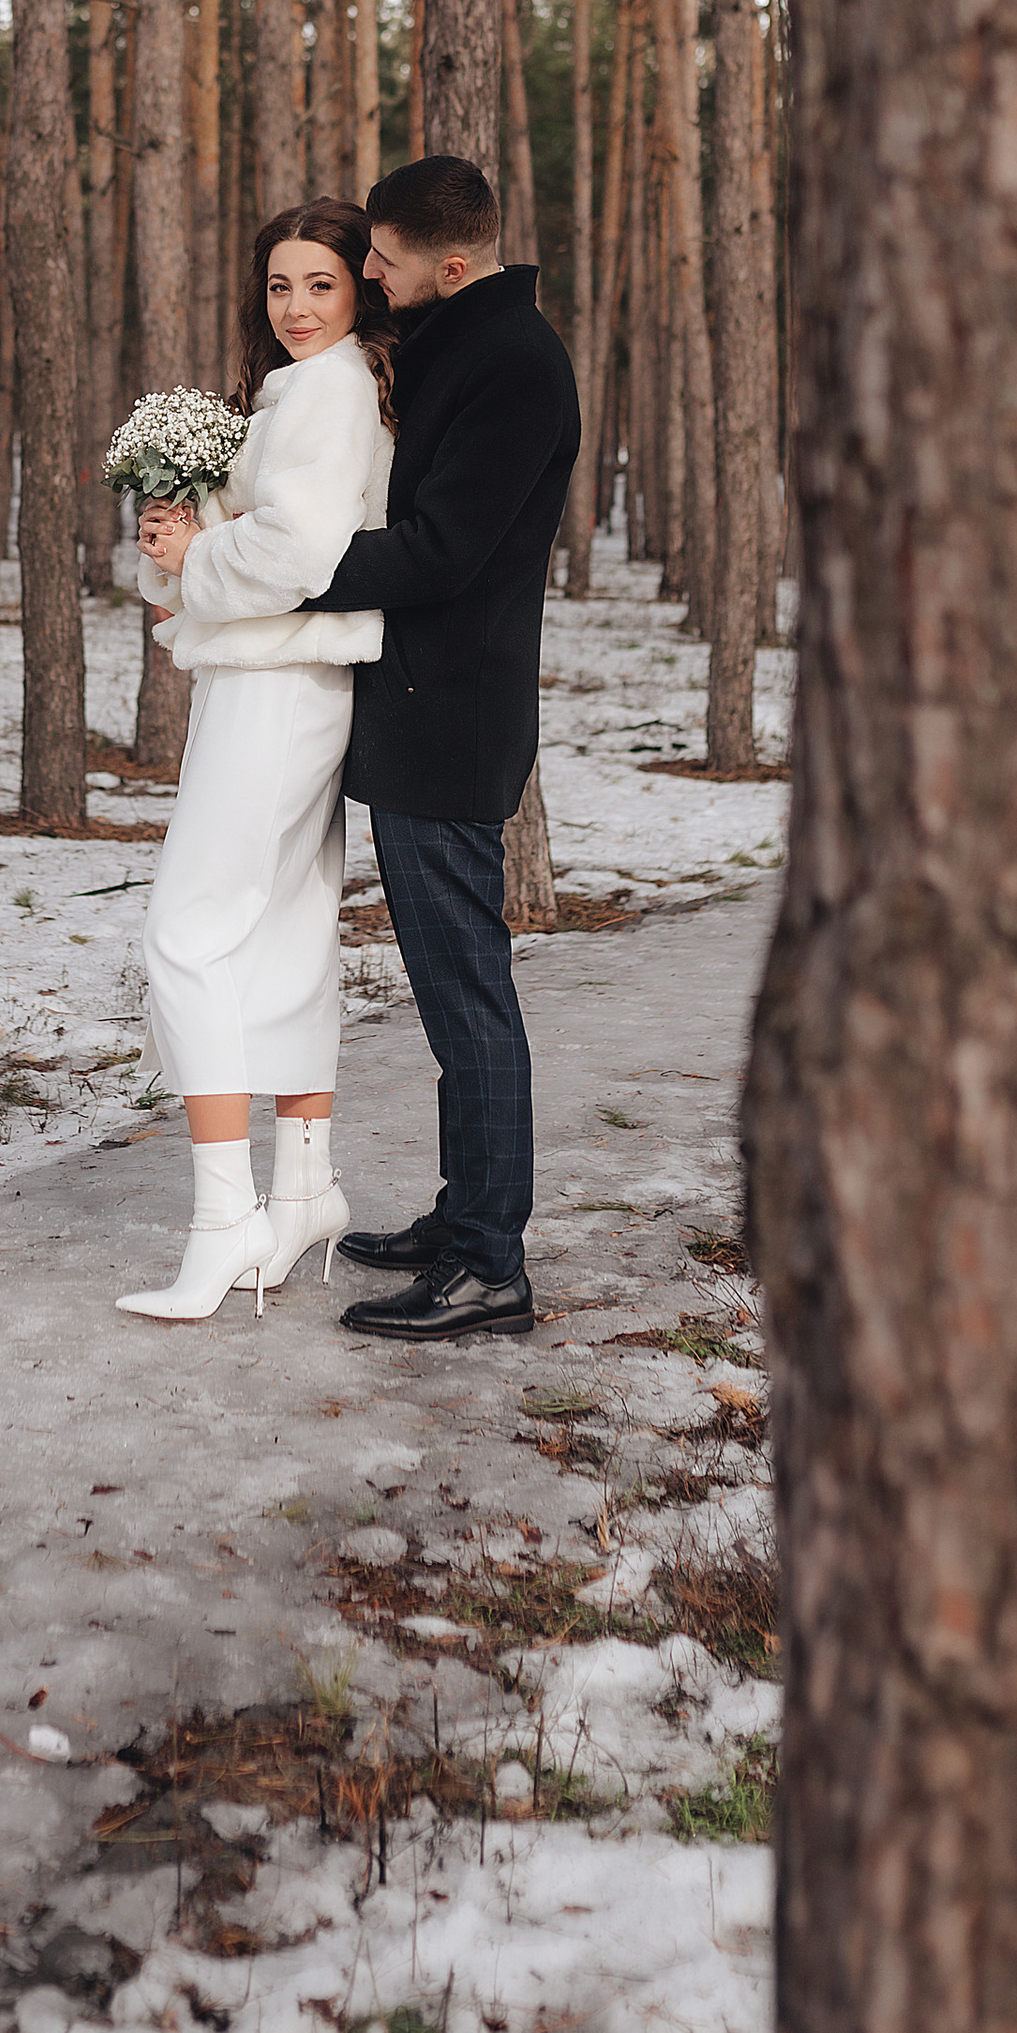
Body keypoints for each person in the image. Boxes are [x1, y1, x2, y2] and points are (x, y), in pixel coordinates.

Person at [299, 155, 580, 1343]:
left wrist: (281, 572)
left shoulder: (514, 367)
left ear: (450, 265)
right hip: (419, 710)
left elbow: (442, 552)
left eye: (385, 258)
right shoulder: (461, 344)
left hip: (452, 717)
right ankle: (464, 1213)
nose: (367, 271)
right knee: (449, 994)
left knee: (469, 1001)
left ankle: (487, 1266)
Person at [117, 199, 396, 1322]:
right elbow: (252, 536)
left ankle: (220, 1221)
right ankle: (305, 1188)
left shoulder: (328, 393)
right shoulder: (304, 390)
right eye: (279, 286)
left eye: (320, 285)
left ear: (359, 290)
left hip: (277, 683)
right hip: (287, 679)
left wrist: (201, 559)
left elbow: (298, 551)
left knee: (186, 935)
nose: (295, 308)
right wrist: (178, 542)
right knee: (281, 927)